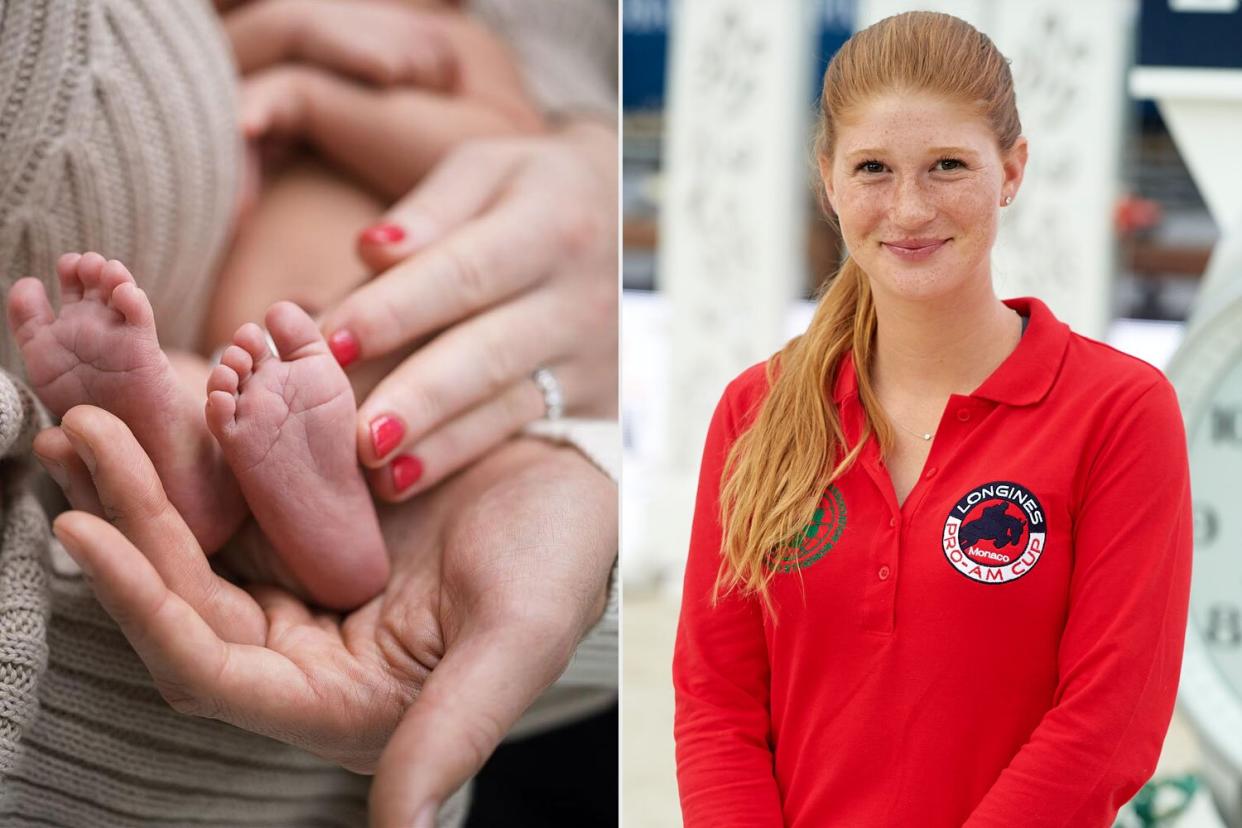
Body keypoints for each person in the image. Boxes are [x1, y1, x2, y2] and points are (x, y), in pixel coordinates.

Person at [0, 0, 618, 825]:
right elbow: (222, 90)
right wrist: (278, 35)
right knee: (197, 381)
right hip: (249, 359)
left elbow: (492, 140)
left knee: (291, 387)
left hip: (372, 336)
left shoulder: (452, 38)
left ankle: (311, 514)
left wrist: (311, 96)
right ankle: (192, 466)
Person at [672, 12, 1191, 828]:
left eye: (947, 165)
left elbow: (1110, 720)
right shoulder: (758, 410)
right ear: (828, 180)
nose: (909, 208)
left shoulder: (1118, 411)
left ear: (1011, 170)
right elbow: (716, 704)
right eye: (873, 168)